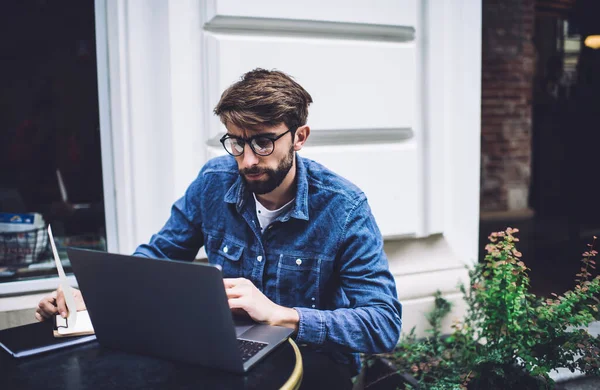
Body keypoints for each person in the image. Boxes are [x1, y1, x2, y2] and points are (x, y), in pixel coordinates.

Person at [36, 68, 402, 383]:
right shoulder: (214, 181)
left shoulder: (344, 207)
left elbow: (383, 324)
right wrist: (92, 296)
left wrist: (283, 316)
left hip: (313, 360)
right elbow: (158, 256)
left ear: (299, 137)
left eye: (262, 142)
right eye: (237, 143)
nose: (247, 161)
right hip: (225, 349)